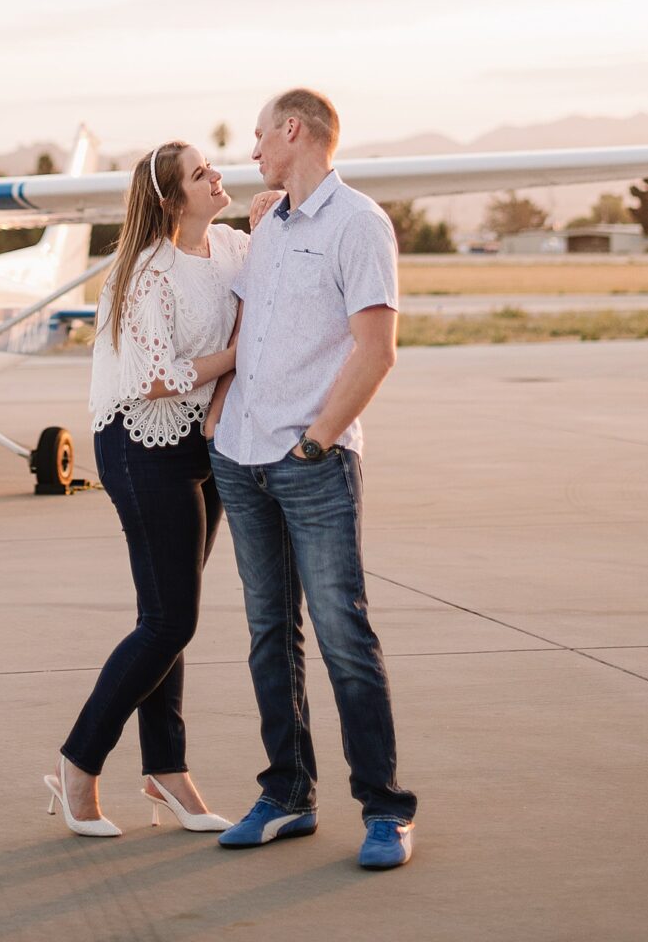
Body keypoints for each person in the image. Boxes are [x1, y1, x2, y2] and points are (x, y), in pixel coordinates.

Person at [206, 87, 418, 872]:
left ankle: (386, 809)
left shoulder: (359, 223)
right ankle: (287, 794)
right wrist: (218, 423)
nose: (253, 149)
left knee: (342, 637)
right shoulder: (265, 226)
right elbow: (245, 336)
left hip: (311, 462)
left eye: (260, 135)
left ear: (292, 131)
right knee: (269, 638)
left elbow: (375, 348)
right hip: (239, 459)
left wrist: (317, 443)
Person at [45, 141, 247, 838]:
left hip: (202, 442)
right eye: (199, 174)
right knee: (170, 620)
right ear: (170, 200)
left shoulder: (230, 246)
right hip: (138, 443)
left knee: (167, 614)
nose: (216, 177)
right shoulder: (143, 276)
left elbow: (262, 298)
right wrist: (239, 358)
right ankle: (78, 764)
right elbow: (159, 376)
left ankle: (165, 769)